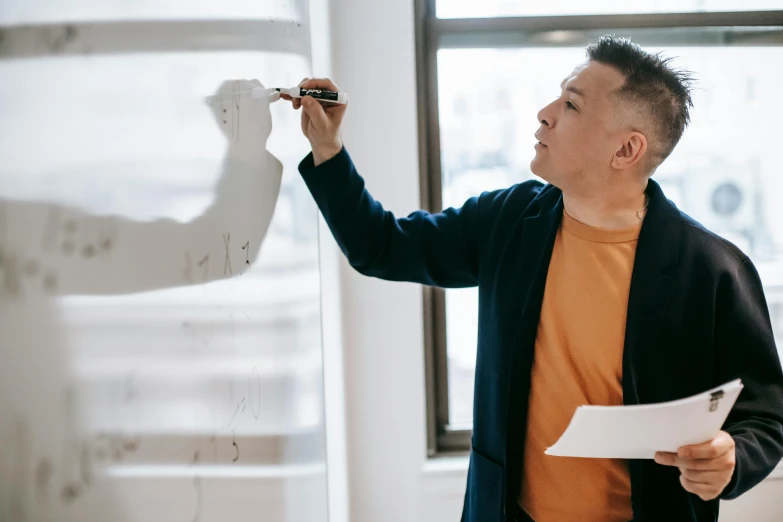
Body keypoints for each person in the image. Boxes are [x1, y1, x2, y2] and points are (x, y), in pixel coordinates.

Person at [281, 35, 783, 522]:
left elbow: (766, 417)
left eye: (572, 105)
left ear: (626, 150)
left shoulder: (713, 269)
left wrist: (733, 457)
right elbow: (382, 247)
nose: (545, 112)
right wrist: (328, 146)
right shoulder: (510, 220)